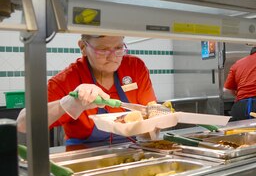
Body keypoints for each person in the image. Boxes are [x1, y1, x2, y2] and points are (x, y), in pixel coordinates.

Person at [17, 35, 157, 146]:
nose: (113, 57)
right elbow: (23, 124)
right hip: (84, 153)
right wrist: (67, 103)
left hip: (131, 148)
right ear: (83, 47)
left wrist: (153, 129)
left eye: (119, 48)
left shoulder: (134, 67)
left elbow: (151, 113)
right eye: (103, 50)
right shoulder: (67, 79)